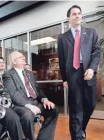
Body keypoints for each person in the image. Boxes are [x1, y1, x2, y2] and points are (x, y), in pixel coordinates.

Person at [57, 5, 100, 140]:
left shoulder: (91, 33)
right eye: (74, 14)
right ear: (69, 18)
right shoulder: (63, 38)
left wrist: (92, 69)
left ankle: (81, 129)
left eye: (79, 13)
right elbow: (62, 59)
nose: (77, 16)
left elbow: (96, 53)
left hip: (88, 72)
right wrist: (64, 79)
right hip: (73, 73)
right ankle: (77, 136)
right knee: (76, 108)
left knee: (91, 103)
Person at [3, 51, 58, 140]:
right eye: (20, 57)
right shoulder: (8, 75)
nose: (23, 57)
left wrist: (44, 99)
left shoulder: (29, 73)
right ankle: (30, 138)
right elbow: (13, 94)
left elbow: (38, 89)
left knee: (53, 110)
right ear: (14, 61)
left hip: (35, 102)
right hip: (20, 105)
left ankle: (43, 138)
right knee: (27, 115)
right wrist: (29, 106)